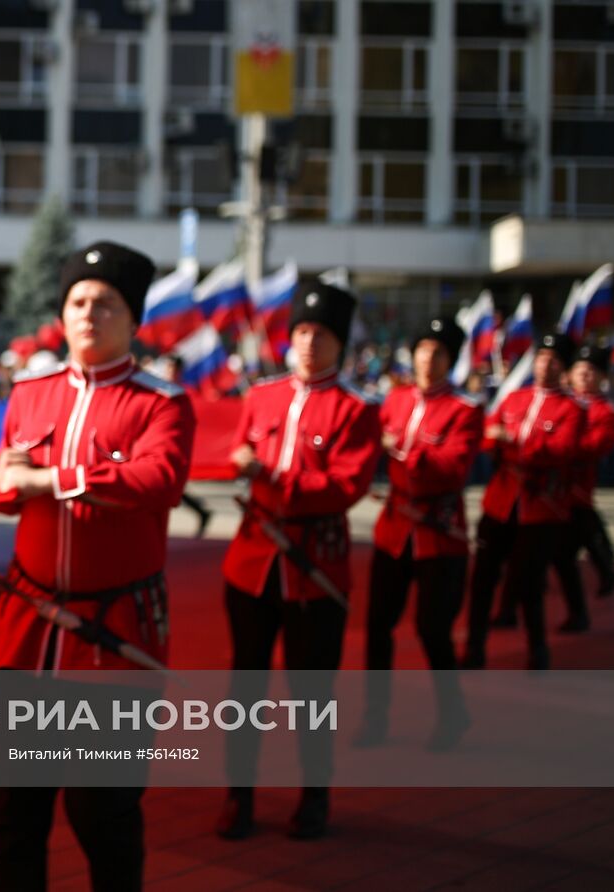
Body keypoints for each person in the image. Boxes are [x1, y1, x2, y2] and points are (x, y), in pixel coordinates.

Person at [0, 241, 196, 891]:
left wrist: (52, 479)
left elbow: (157, 479)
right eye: (78, 301)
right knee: (16, 808)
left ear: (133, 320)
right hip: (28, 634)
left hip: (115, 641)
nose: (89, 314)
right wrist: (15, 484)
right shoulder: (31, 391)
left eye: (106, 304)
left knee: (103, 812)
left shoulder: (162, 403)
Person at [217, 281, 381, 841]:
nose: (310, 342)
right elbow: (240, 452)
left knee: (312, 695)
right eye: (303, 331)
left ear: (340, 343)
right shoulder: (260, 395)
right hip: (253, 561)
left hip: (316, 568)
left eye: (323, 334)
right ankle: (239, 796)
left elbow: (344, 487)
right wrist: (246, 466)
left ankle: (315, 794)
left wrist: (269, 475)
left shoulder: (357, 409)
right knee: (246, 691)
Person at [358, 316, 483, 750]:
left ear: (451, 360)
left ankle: (452, 715)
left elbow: (455, 467)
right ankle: (375, 717)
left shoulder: (466, 409)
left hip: (439, 535)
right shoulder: (393, 399)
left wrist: (406, 452)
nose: (428, 360)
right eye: (423, 351)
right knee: (377, 627)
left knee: (433, 631)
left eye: (438, 353)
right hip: (394, 530)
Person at [465, 333, 586, 671]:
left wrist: (517, 441)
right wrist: (516, 444)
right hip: (501, 500)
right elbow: (490, 435)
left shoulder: (571, 409)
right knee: (483, 579)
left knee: (529, 583)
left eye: (554, 360)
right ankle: (474, 649)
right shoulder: (515, 398)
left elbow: (561, 450)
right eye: (542, 357)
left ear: (564, 367)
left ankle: (537, 649)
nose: (546, 365)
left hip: (540, 508)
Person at [550, 344, 614, 627]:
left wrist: (557, 446)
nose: (584, 376)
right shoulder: (561, 401)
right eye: (580, 370)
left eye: (591, 371)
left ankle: (580, 610)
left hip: (575, 487)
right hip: (549, 488)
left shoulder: (606, 411)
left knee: (566, 549)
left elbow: (595, 446)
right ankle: (605, 565)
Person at [160, 352, 213, 537]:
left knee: (170, 484)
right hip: (159, 444)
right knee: (170, 485)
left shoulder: (186, 393)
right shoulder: (158, 390)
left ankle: (200, 512)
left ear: (180, 371)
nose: (170, 372)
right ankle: (201, 512)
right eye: (168, 368)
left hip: (177, 445)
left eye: (174, 368)